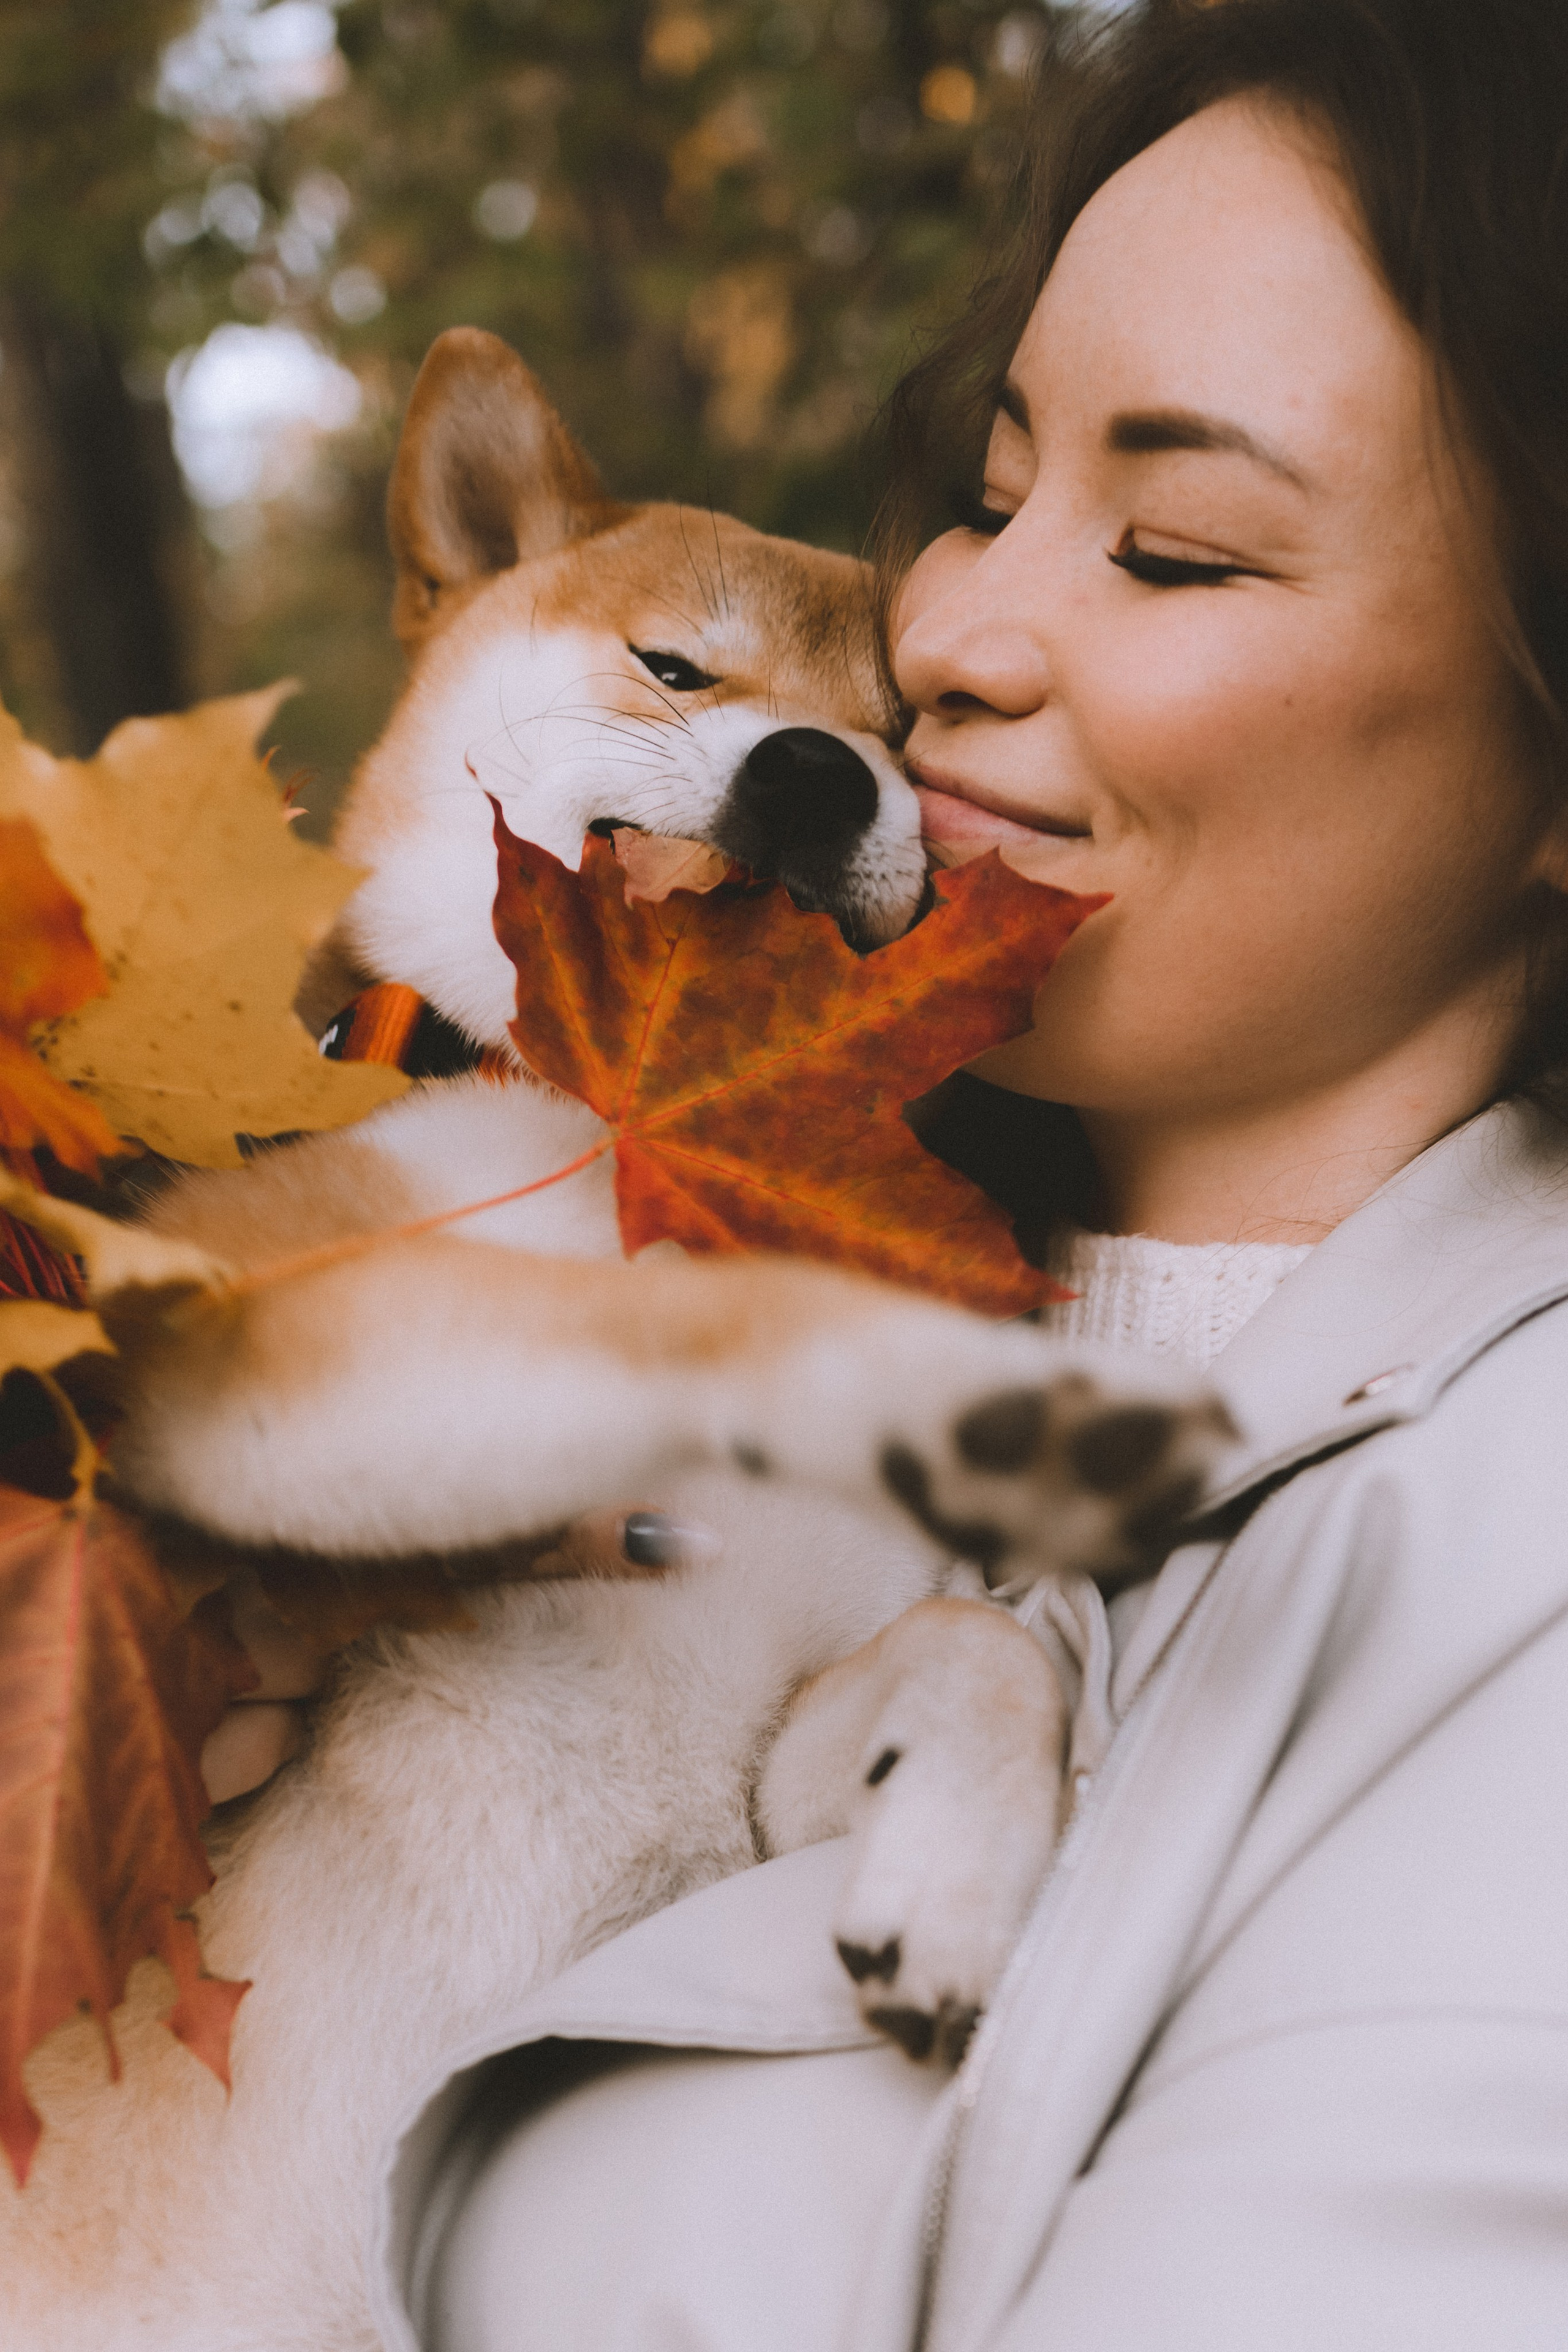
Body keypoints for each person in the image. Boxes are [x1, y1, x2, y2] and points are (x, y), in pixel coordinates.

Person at [370, 2, 1568, 2345]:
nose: (943, 630)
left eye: (1184, 549)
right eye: (995, 488)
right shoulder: (669, 1282)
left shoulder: (1512, 1590)